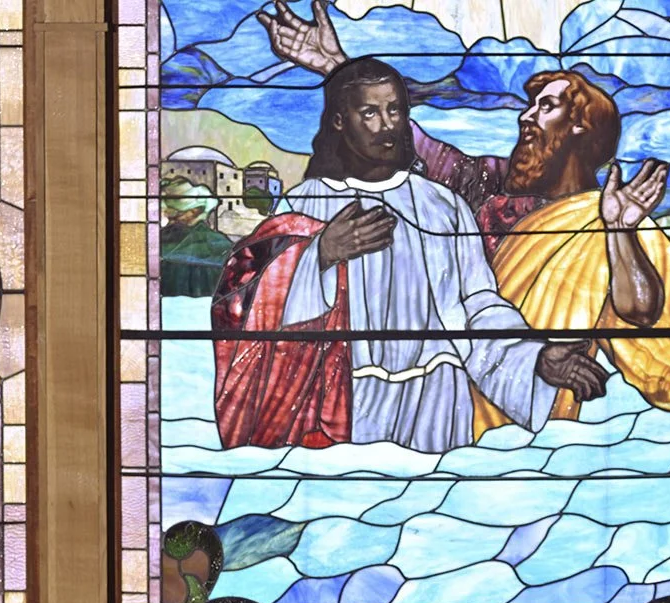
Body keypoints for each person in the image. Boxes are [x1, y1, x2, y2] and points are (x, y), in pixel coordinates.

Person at [256, 1, 670, 433]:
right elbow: (404, 143)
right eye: (529, 105)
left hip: (532, 408)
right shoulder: (487, 189)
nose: (525, 118)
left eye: (545, 107)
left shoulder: (612, 216)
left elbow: (642, 315)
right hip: (451, 399)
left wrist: (619, 232)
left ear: (581, 128)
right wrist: (339, 70)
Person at [210, 57, 609, 453]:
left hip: (435, 405)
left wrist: (535, 358)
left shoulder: (443, 206)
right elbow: (243, 304)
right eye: (370, 112)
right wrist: (319, 255)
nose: (387, 125)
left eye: (395, 110)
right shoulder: (304, 204)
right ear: (338, 121)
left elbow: (479, 307)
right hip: (341, 405)